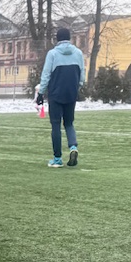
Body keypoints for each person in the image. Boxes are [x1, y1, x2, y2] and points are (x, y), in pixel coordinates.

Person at [35, 26, 85, 168]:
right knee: (69, 123)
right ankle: (73, 147)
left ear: (57, 39)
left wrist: (41, 93)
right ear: (69, 38)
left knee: (56, 124)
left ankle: (57, 158)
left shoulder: (52, 54)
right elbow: (82, 73)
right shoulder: (78, 53)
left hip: (56, 94)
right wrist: (78, 87)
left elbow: (46, 75)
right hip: (71, 92)